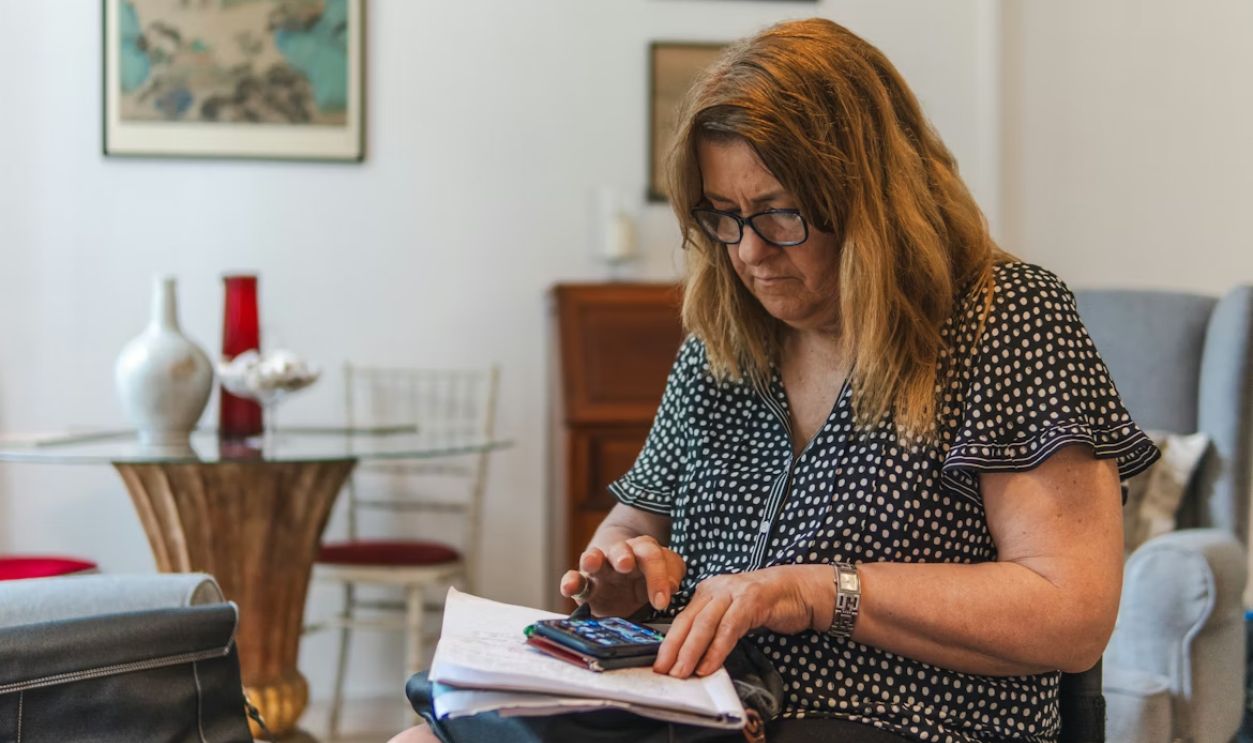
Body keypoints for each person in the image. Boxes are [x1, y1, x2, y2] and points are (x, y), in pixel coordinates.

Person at [394, 16, 1158, 743]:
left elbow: (1069, 610)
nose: (749, 252)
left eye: (778, 212)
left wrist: (818, 590)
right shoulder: (722, 345)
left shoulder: (1002, 317)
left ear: (873, 201)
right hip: (701, 711)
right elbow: (633, 526)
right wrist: (618, 575)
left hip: (911, 721)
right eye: (722, 215)